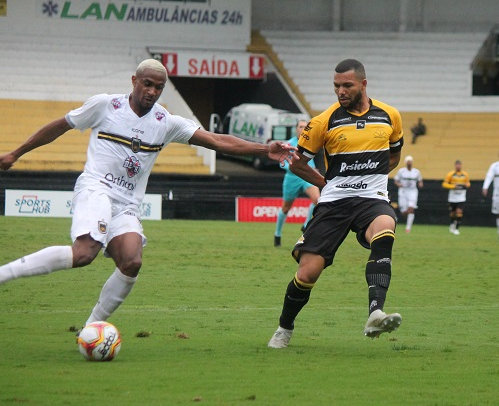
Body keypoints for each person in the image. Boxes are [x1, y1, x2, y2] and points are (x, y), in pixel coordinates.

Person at [0, 59, 295, 328]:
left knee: (132, 262)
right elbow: (59, 126)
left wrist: (263, 148)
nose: (153, 91)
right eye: (148, 84)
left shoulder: (165, 123)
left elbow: (217, 140)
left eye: (159, 87)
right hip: (96, 189)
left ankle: (92, 328)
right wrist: (16, 153)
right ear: (134, 81)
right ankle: (4, 274)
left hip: (127, 205)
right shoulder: (106, 106)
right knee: (85, 253)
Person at [267, 58, 404, 348]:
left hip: (371, 198)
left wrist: (375, 178)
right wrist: (324, 183)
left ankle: (375, 312)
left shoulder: (390, 115)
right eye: (336, 86)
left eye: (347, 85)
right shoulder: (322, 122)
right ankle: (284, 327)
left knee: (385, 227)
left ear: (363, 84)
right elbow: (296, 163)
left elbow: (394, 155)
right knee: (308, 272)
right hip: (335, 202)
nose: (340, 91)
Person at [274, 120, 321, 247]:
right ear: (296, 129)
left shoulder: (311, 142)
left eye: (305, 127)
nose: (303, 129)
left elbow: (311, 160)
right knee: (286, 208)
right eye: (300, 126)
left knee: (318, 200)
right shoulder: (289, 144)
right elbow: (281, 162)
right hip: (292, 178)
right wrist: (293, 168)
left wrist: (313, 170)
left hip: (306, 177)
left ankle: (305, 225)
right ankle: (277, 234)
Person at [393, 155, 423, 233]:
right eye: (408, 161)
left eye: (410, 161)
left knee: (411, 209)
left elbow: (420, 180)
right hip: (403, 192)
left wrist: (420, 184)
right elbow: (396, 180)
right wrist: (399, 184)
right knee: (404, 212)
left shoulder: (416, 172)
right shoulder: (401, 171)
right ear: (405, 162)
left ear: (412, 162)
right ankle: (401, 215)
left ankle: (408, 228)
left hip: (412, 192)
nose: (409, 163)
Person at [442, 159, 471, 235]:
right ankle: (452, 223)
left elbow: (468, 184)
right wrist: (453, 186)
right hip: (452, 197)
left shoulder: (465, 174)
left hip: (461, 197)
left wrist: (465, 185)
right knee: (452, 213)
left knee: (459, 211)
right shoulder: (450, 174)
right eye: (457, 165)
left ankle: (457, 228)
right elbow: (444, 184)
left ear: (461, 166)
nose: (458, 166)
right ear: (455, 166)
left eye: (459, 165)